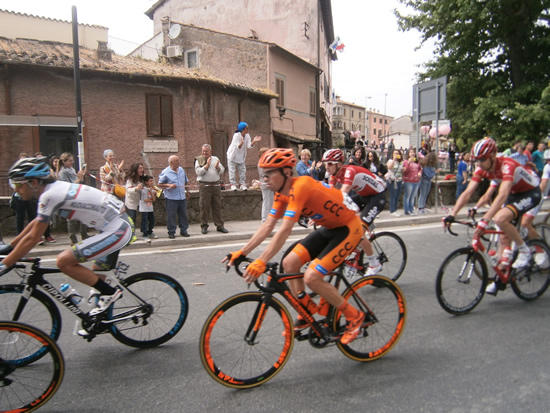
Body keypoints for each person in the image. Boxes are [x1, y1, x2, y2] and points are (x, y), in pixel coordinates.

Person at [223, 148, 366, 345]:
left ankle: (355, 316)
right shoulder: (280, 194)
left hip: (349, 227)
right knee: (289, 264)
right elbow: (267, 226)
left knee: (312, 277)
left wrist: (261, 261)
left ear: (287, 173)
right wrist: (242, 252)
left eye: (270, 172)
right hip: (329, 227)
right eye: (264, 173)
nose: (265, 178)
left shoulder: (301, 186)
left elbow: (285, 230)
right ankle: (306, 311)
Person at [0, 157, 133, 317]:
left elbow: (33, 238)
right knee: (96, 273)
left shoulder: (48, 195)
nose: (15, 190)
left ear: (34, 182)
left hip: (118, 228)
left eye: (17, 185)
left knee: (64, 261)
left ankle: (111, 293)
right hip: (113, 224)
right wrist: (10, 248)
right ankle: (100, 318)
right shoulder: (52, 189)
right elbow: (35, 224)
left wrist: (5, 264)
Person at [444, 138, 541, 295]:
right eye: (476, 160)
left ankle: (525, 250)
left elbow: (502, 195)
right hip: (514, 194)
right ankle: (501, 278)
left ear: (493, 156)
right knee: (502, 237)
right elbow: (468, 192)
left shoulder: (507, 165)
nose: (479, 163)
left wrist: (485, 219)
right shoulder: (482, 168)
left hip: (530, 192)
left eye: (482, 159)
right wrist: (452, 214)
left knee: (500, 219)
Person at [322, 149, 387, 275]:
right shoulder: (333, 174)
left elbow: (344, 191)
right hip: (363, 196)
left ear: (339, 164)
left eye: (330, 163)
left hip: (377, 197)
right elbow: (329, 193)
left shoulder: (349, 171)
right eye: (325, 163)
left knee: (358, 231)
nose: (327, 166)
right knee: (341, 220)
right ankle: (354, 252)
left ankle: (374, 264)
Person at [195, 144, 228, 234]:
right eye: (203, 151)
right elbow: (198, 172)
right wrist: (206, 166)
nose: (204, 153)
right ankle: (204, 226)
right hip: (205, 185)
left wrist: (217, 167)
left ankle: (220, 226)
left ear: (210, 151)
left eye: (206, 151)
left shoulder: (215, 159)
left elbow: (222, 170)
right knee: (204, 206)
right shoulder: (199, 160)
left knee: (217, 205)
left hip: (216, 185)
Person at [57, 152, 89, 245]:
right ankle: (73, 239)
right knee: (71, 218)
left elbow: (79, 182)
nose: (72, 162)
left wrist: (81, 177)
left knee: (83, 215)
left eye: (72, 160)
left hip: (77, 194)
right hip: (69, 197)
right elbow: (67, 186)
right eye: (70, 161)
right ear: (64, 162)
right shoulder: (62, 172)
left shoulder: (71, 169)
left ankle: (84, 234)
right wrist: (78, 179)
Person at [158, 155, 190, 239]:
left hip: (181, 196)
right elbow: (159, 184)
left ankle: (184, 230)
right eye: (177, 161)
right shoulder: (166, 172)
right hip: (171, 198)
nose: (179, 162)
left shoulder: (181, 170)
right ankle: (171, 232)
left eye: (178, 160)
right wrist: (169, 185)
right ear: (171, 162)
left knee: (183, 214)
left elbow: (186, 181)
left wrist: (188, 191)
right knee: (171, 215)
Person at [226, 122, 262, 191]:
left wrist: (254, 141)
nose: (248, 129)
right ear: (242, 129)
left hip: (241, 156)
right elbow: (238, 147)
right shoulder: (236, 135)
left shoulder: (247, 135)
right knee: (232, 170)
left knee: (243, 170)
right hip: (232, 155)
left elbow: (249, 146)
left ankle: (242, 184)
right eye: (246, 128)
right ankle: (233, 184)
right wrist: (242, 142)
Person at [124, 163, 145, 230]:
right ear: (135, 170)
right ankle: (131, 233)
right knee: (132, 217)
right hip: (131, 201)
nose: (142, 169)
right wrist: (136, 188)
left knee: (145, 216)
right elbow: (128, 190)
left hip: (140, 200)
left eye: (142, 168)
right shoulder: (130, 179)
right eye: (140, 168)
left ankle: (144, 231)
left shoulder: (142, 178)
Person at [402, 148, 422, 215]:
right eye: (410, 152)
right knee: (407, 196)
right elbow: (405, 171)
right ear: (408, 154)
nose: (412, 154)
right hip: (408, 181)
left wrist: (420, 172)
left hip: (416, 181)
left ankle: (411, 209)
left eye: (413, 152)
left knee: (413, 196)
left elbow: (420, 169)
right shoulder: (405, 162)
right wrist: (408, 163)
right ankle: (407, 210)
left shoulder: (417, 162)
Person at [257, 147, 274, 223]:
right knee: (266, 202)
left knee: (271, 202)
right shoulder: (261, 162)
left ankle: (270, 218)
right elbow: (264, 174)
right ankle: (264, 219)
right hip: (265, 184)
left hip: (270, 184)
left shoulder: (267, 161)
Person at [139, 175, 157, 242]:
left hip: (150, 208)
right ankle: (145, 234)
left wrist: (152, 192)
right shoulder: (144, 189)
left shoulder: (152, 189)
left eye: (152, 181)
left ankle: (150, 232)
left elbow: (154, 199)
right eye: (150, 181)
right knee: (145, 221)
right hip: (144, 208)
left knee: (152, 221)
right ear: (146, 182)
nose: (152, 182)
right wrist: (151, 199)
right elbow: (145, 199)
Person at [386, 149, 404, 217]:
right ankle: (392, 210)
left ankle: (395, 209)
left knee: (397, 196)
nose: (396, 154)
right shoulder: (390, 161)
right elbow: (389, 167)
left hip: (399, 180)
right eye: (395, 153)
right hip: (392, 181)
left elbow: (402, 172)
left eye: (397, 153)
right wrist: (394, 159)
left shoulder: (400, 162)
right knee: (393, 196)